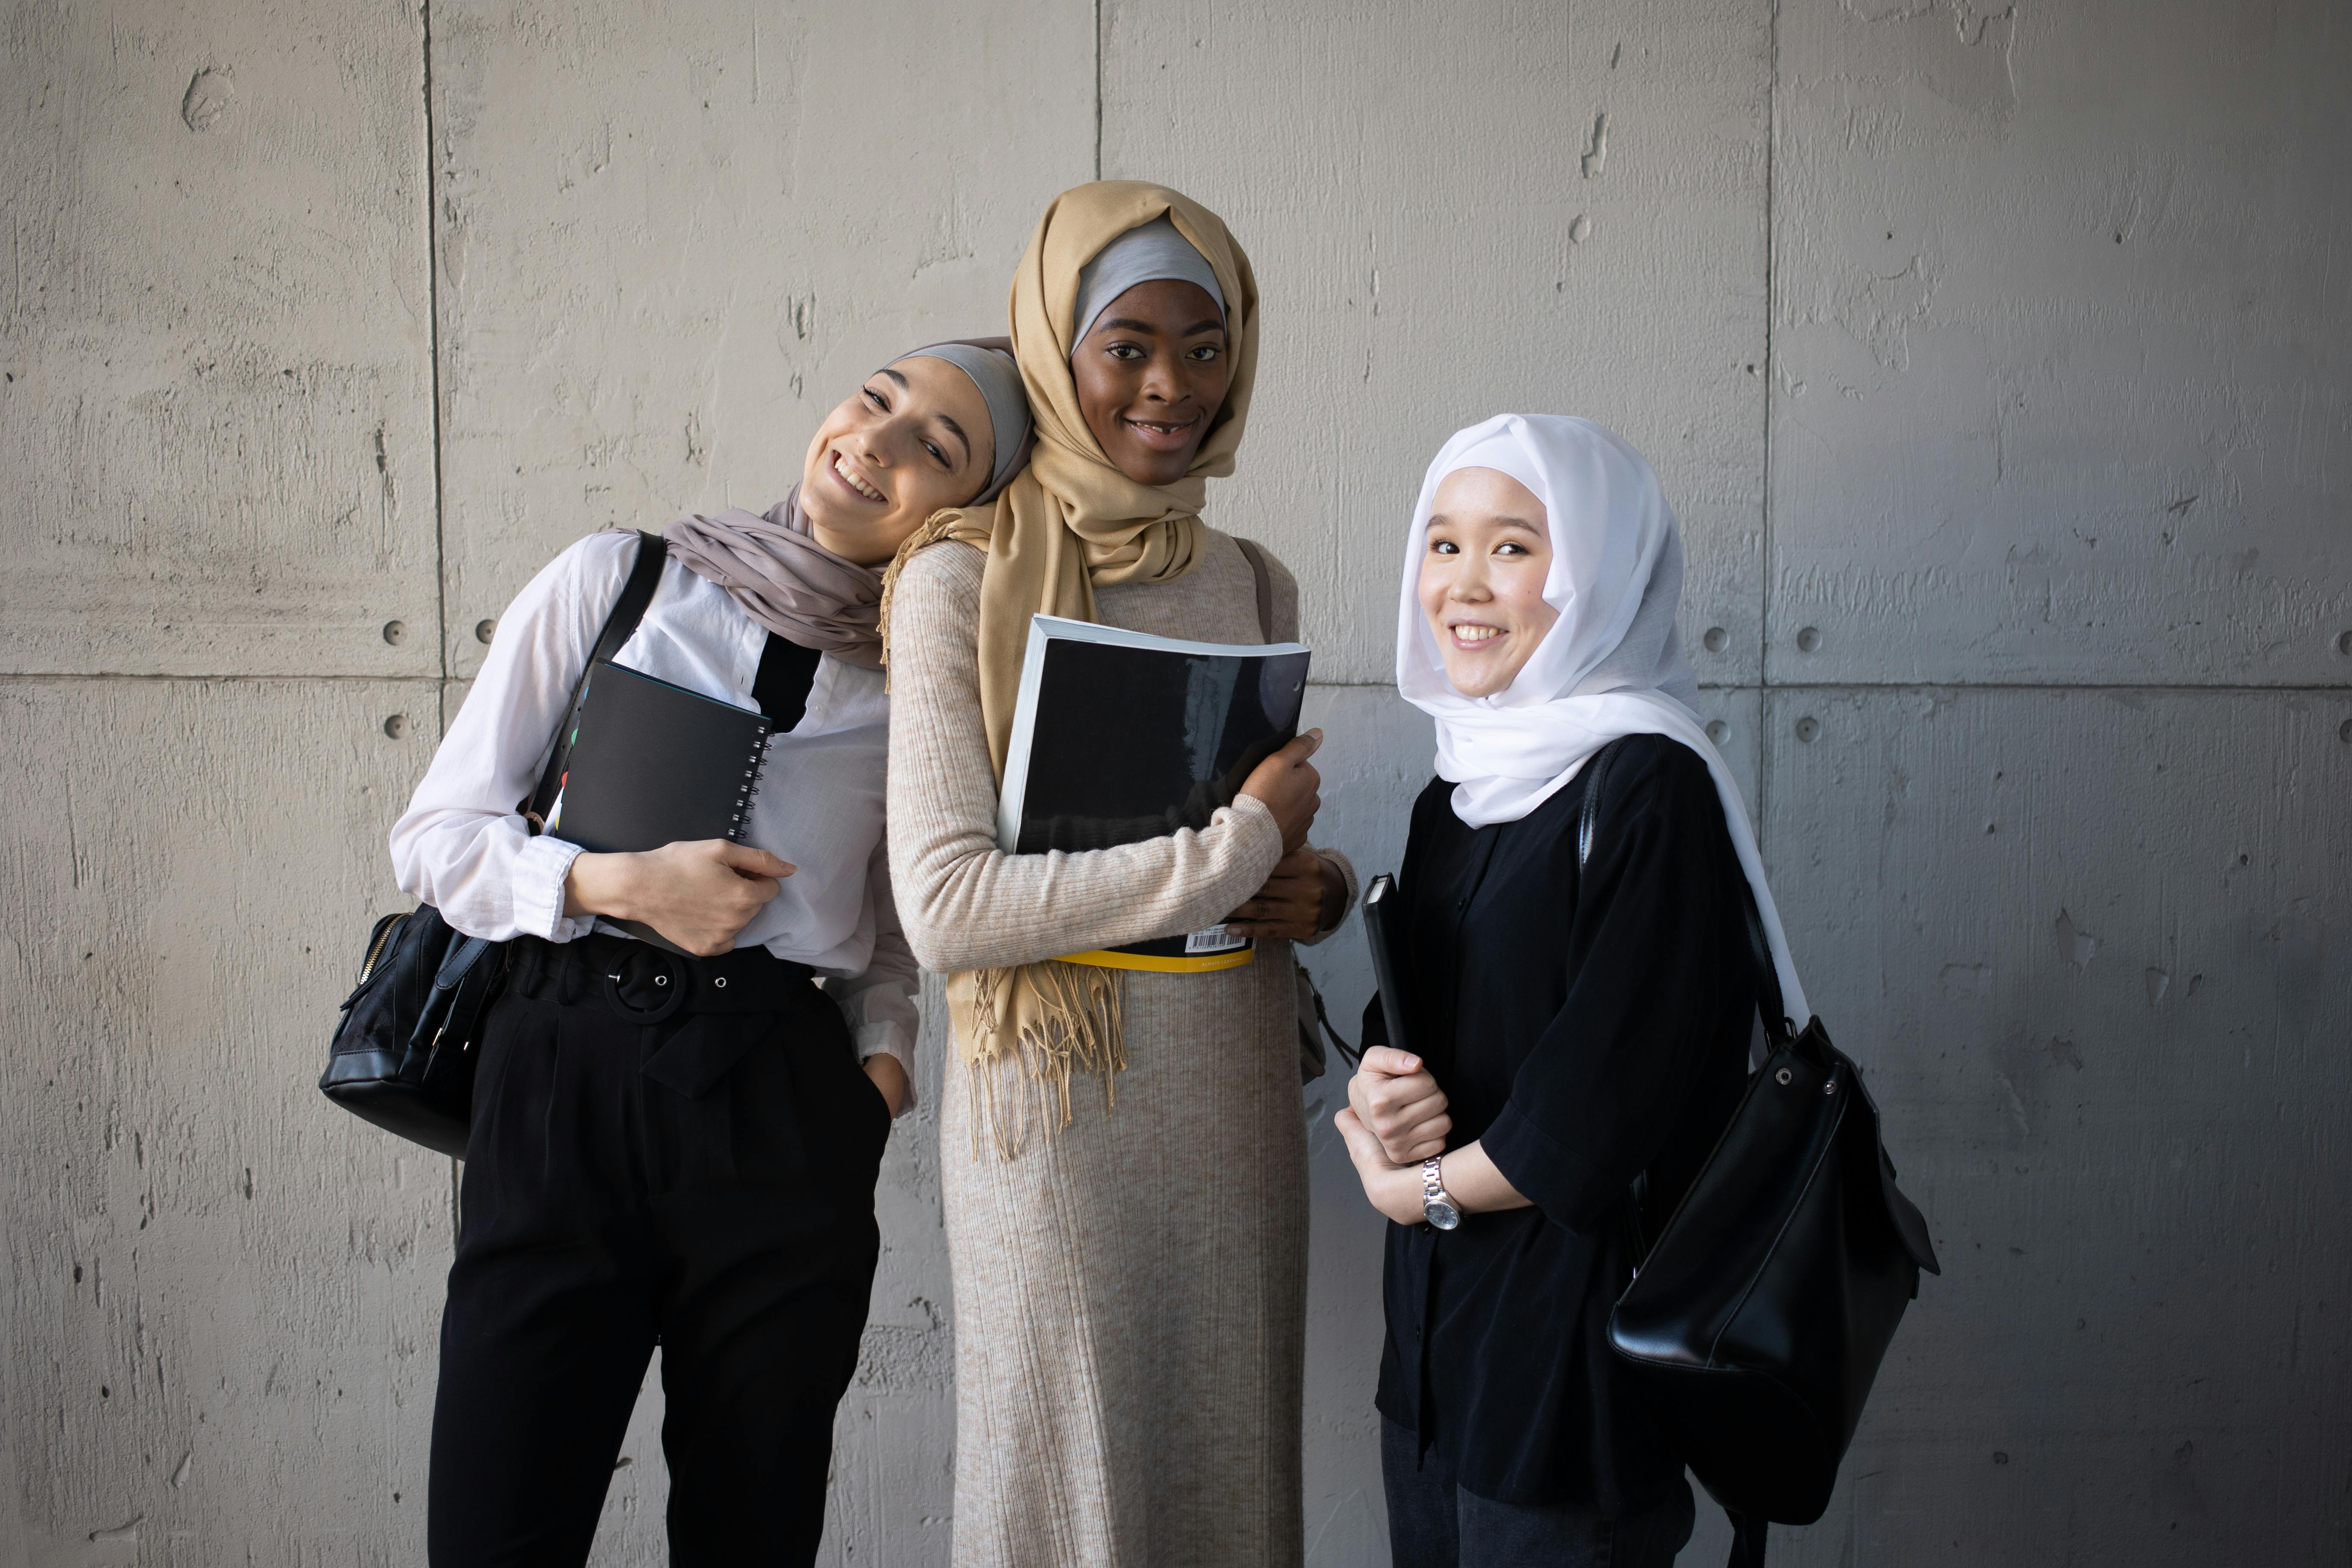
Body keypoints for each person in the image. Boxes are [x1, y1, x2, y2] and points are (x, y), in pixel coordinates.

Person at [390, 338, 1032, 1567]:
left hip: (783, 1114)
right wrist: (608, 881)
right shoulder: (622, 582)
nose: (878, 442)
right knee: (498, 1521)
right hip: (560, 1080)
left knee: (756, 1530)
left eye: (937, 448)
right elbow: (434, 839)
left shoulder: (924, 687)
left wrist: (877, 1082)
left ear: (973, 510)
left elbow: (896, 935)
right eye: (879, 398)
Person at [881, 181, 1356, 1568]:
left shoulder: (1253, 580)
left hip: (1230, 1090)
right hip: (1054, 1115)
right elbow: (949, 907)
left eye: (1204, 348)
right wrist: (1237, 853)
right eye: (1127, 344)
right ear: (1053, 348)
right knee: (1064, 1492)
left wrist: (1309, 889)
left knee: (1228, 1482)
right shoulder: (958, 576)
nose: (1170, 386)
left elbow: (1253, 851)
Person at [1332, 414, 1812, 1568]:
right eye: (1443, 544)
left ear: (1600, 572)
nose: (1462, 583)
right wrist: (1370, 1120)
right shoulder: (1458, 787)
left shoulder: (1651, 786)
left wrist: (1419, 1193)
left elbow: (1592, 1117)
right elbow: (1408, 1035)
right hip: (1439, 1367)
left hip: (1572, 1370)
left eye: (1512, 546)